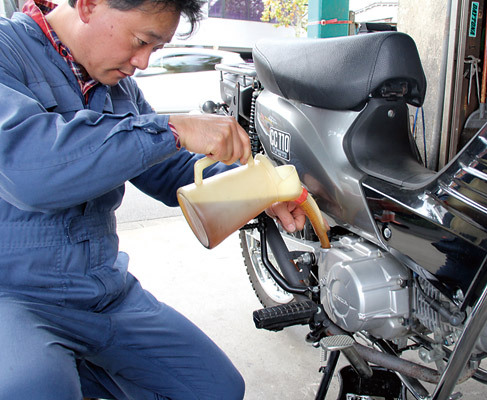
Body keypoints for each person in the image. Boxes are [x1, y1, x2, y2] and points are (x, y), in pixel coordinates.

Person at [0, 0, 307, 399]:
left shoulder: (119, 88)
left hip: (104, 295)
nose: (143, 62)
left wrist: (258, 191)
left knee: (215, 390)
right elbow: (30, 171)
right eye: (141, 41)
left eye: (156, 48)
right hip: (17, 297)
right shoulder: (7, 53)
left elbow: (168, 169)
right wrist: (172, 129)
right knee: (36, 389)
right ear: (89, 5)